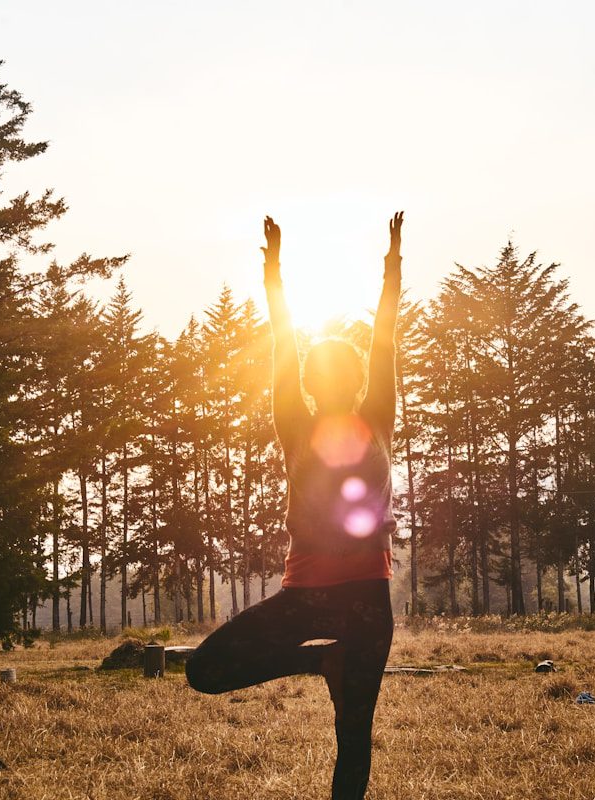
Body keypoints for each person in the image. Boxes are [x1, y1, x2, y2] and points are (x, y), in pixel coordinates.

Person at [186, 211, 404, 800]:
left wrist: (390, 266)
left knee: (354, 738)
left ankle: (324, 664)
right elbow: (287, 343)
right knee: (207, 673)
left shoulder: (372, 415)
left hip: (350, 600)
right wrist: (274, 275)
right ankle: (321, 664)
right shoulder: (299, 422)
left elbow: (383, 337)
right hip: (322, 599)